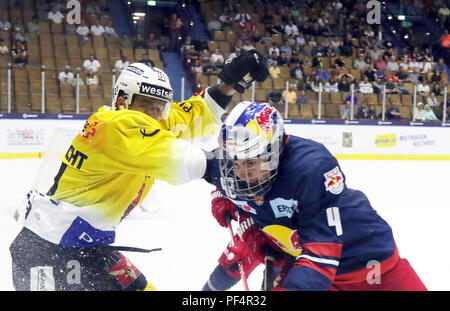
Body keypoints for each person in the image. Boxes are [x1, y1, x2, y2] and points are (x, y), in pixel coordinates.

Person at [9, 50, 270, 291]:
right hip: (48, 250)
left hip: (88, 247)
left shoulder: (146, 120)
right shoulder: (113, 126)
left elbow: (194, 116)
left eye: (160, 105)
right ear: (122, 100)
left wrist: (230, 82)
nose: (155, 112)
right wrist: (248, 166)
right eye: (147, 103)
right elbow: (183, 162)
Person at [201, 100, 427, 291]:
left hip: (373, 269)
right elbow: (214, 171)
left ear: (273, 154)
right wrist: (226, 199)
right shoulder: (240, 178)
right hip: (305, 268)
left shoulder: (309, 171)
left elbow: (321, 256)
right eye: (235, 164)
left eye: (250, 162)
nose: (241, 174)